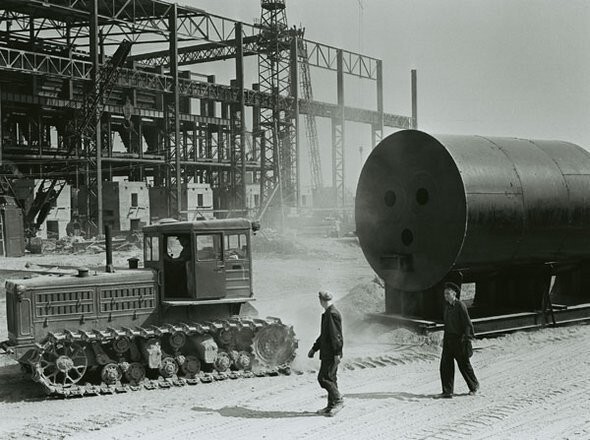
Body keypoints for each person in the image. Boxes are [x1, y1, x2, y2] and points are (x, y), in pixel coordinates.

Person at [439, 282, 479, 398]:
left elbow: (467, 324)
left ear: (454, 293)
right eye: (444, 294)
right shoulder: (446, 306)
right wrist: (444, 339)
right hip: (448, 339)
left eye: (448, 293)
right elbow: (446, 324)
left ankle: (474, 386)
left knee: (464, 365)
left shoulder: (460, 305)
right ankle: (447, 391)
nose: (445, 296)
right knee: (445, 366)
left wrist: (467, 339)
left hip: (459, 339)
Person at [308, 290, 344, 416]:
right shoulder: (328, 313)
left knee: (323, 378)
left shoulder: (332, 314)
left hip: (332, 353)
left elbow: (336, 336)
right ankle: (331, 406)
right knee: (331, 378)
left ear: (321, 301)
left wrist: (337, 353)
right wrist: (314, 348)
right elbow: (324, 335)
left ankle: (338, 400)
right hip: (329, 352)